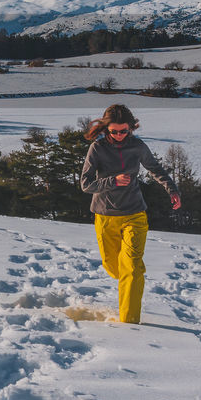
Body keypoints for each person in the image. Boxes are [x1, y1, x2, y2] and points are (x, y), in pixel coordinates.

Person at [79, 104, 181, 324]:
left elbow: (155, 168)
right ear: (106, 129)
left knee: (132, 269)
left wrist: (172, 189)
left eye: (123, 131)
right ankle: (129, 275)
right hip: (105, 216)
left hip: (135, 213)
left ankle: (129, 323)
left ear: (132, 128)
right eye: (113, 131)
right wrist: (112, 181)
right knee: (114, 267)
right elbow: (86, 185)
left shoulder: (138, 146)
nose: (118, 135)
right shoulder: (97, 149)